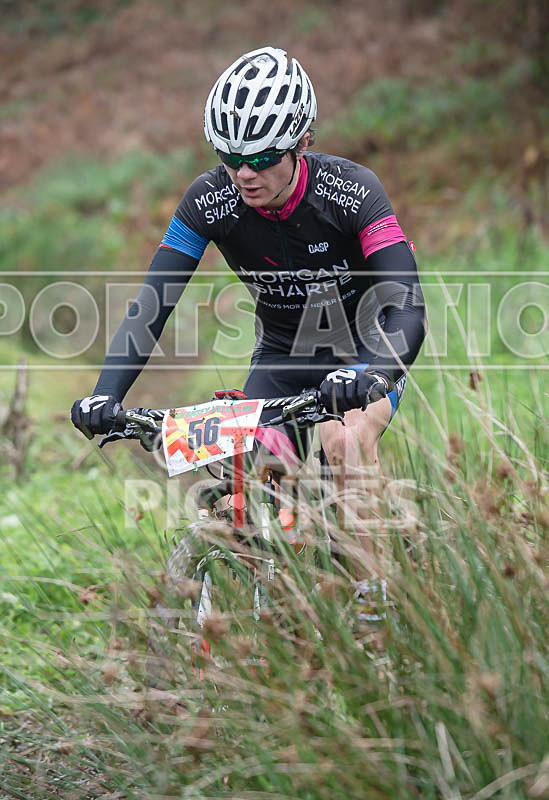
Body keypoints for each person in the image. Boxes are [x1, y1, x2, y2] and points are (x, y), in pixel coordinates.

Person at [71, 46, 426, 615]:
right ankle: (269, 616)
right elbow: (151, 305)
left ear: (301, 142)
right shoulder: (209, 201)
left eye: (261, 158)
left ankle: (372, 612)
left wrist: (376, 373)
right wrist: (106, 395)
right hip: (283, 354)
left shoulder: (354, 191)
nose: (243, 173)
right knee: (245, 470)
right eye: (229, 155)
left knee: (342, 441)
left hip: (365, 351)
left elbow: (405, 307)